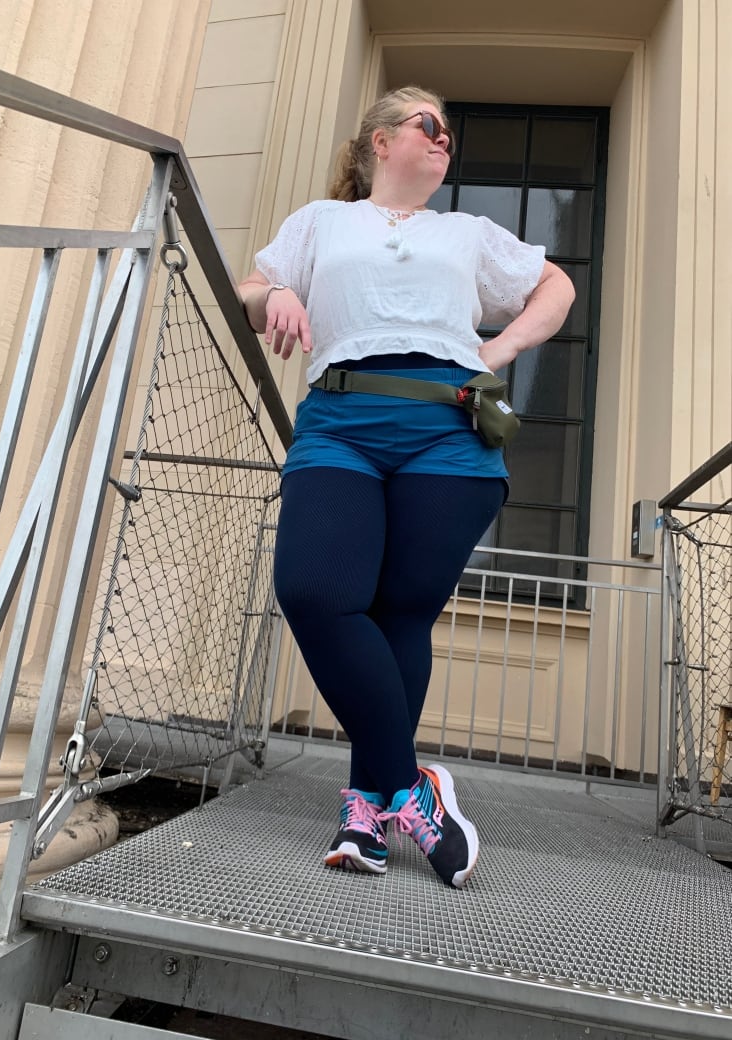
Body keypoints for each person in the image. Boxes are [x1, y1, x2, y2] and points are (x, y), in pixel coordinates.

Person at [238, 86, 575, 889]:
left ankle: (366, 806)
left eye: (450, 131)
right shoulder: (321, 221)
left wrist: (496, 353)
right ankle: (410, 787)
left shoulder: (466, 232)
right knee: (317, 593)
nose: (445, 138)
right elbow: (252, 291)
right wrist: (277, 293)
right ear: (381, 142)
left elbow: (554, 286)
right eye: (430, 125)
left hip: (447, 433)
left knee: (400, 616)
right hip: (341, 422)